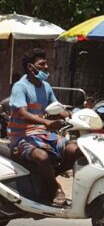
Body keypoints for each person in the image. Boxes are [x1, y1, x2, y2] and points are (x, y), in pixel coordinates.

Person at [8, 49, 78, 207]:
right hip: (21, 137)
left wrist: (75, 116)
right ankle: (55, 189)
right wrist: (46, 123)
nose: (46, 67)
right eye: (42, 64)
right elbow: (23, 113)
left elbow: (57, 108)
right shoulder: (20, 87)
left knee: (75, 150)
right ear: (30, 67)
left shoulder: (46, 86)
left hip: (41, 134)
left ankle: (47, 177)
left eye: (46, 63)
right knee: (42, 157)